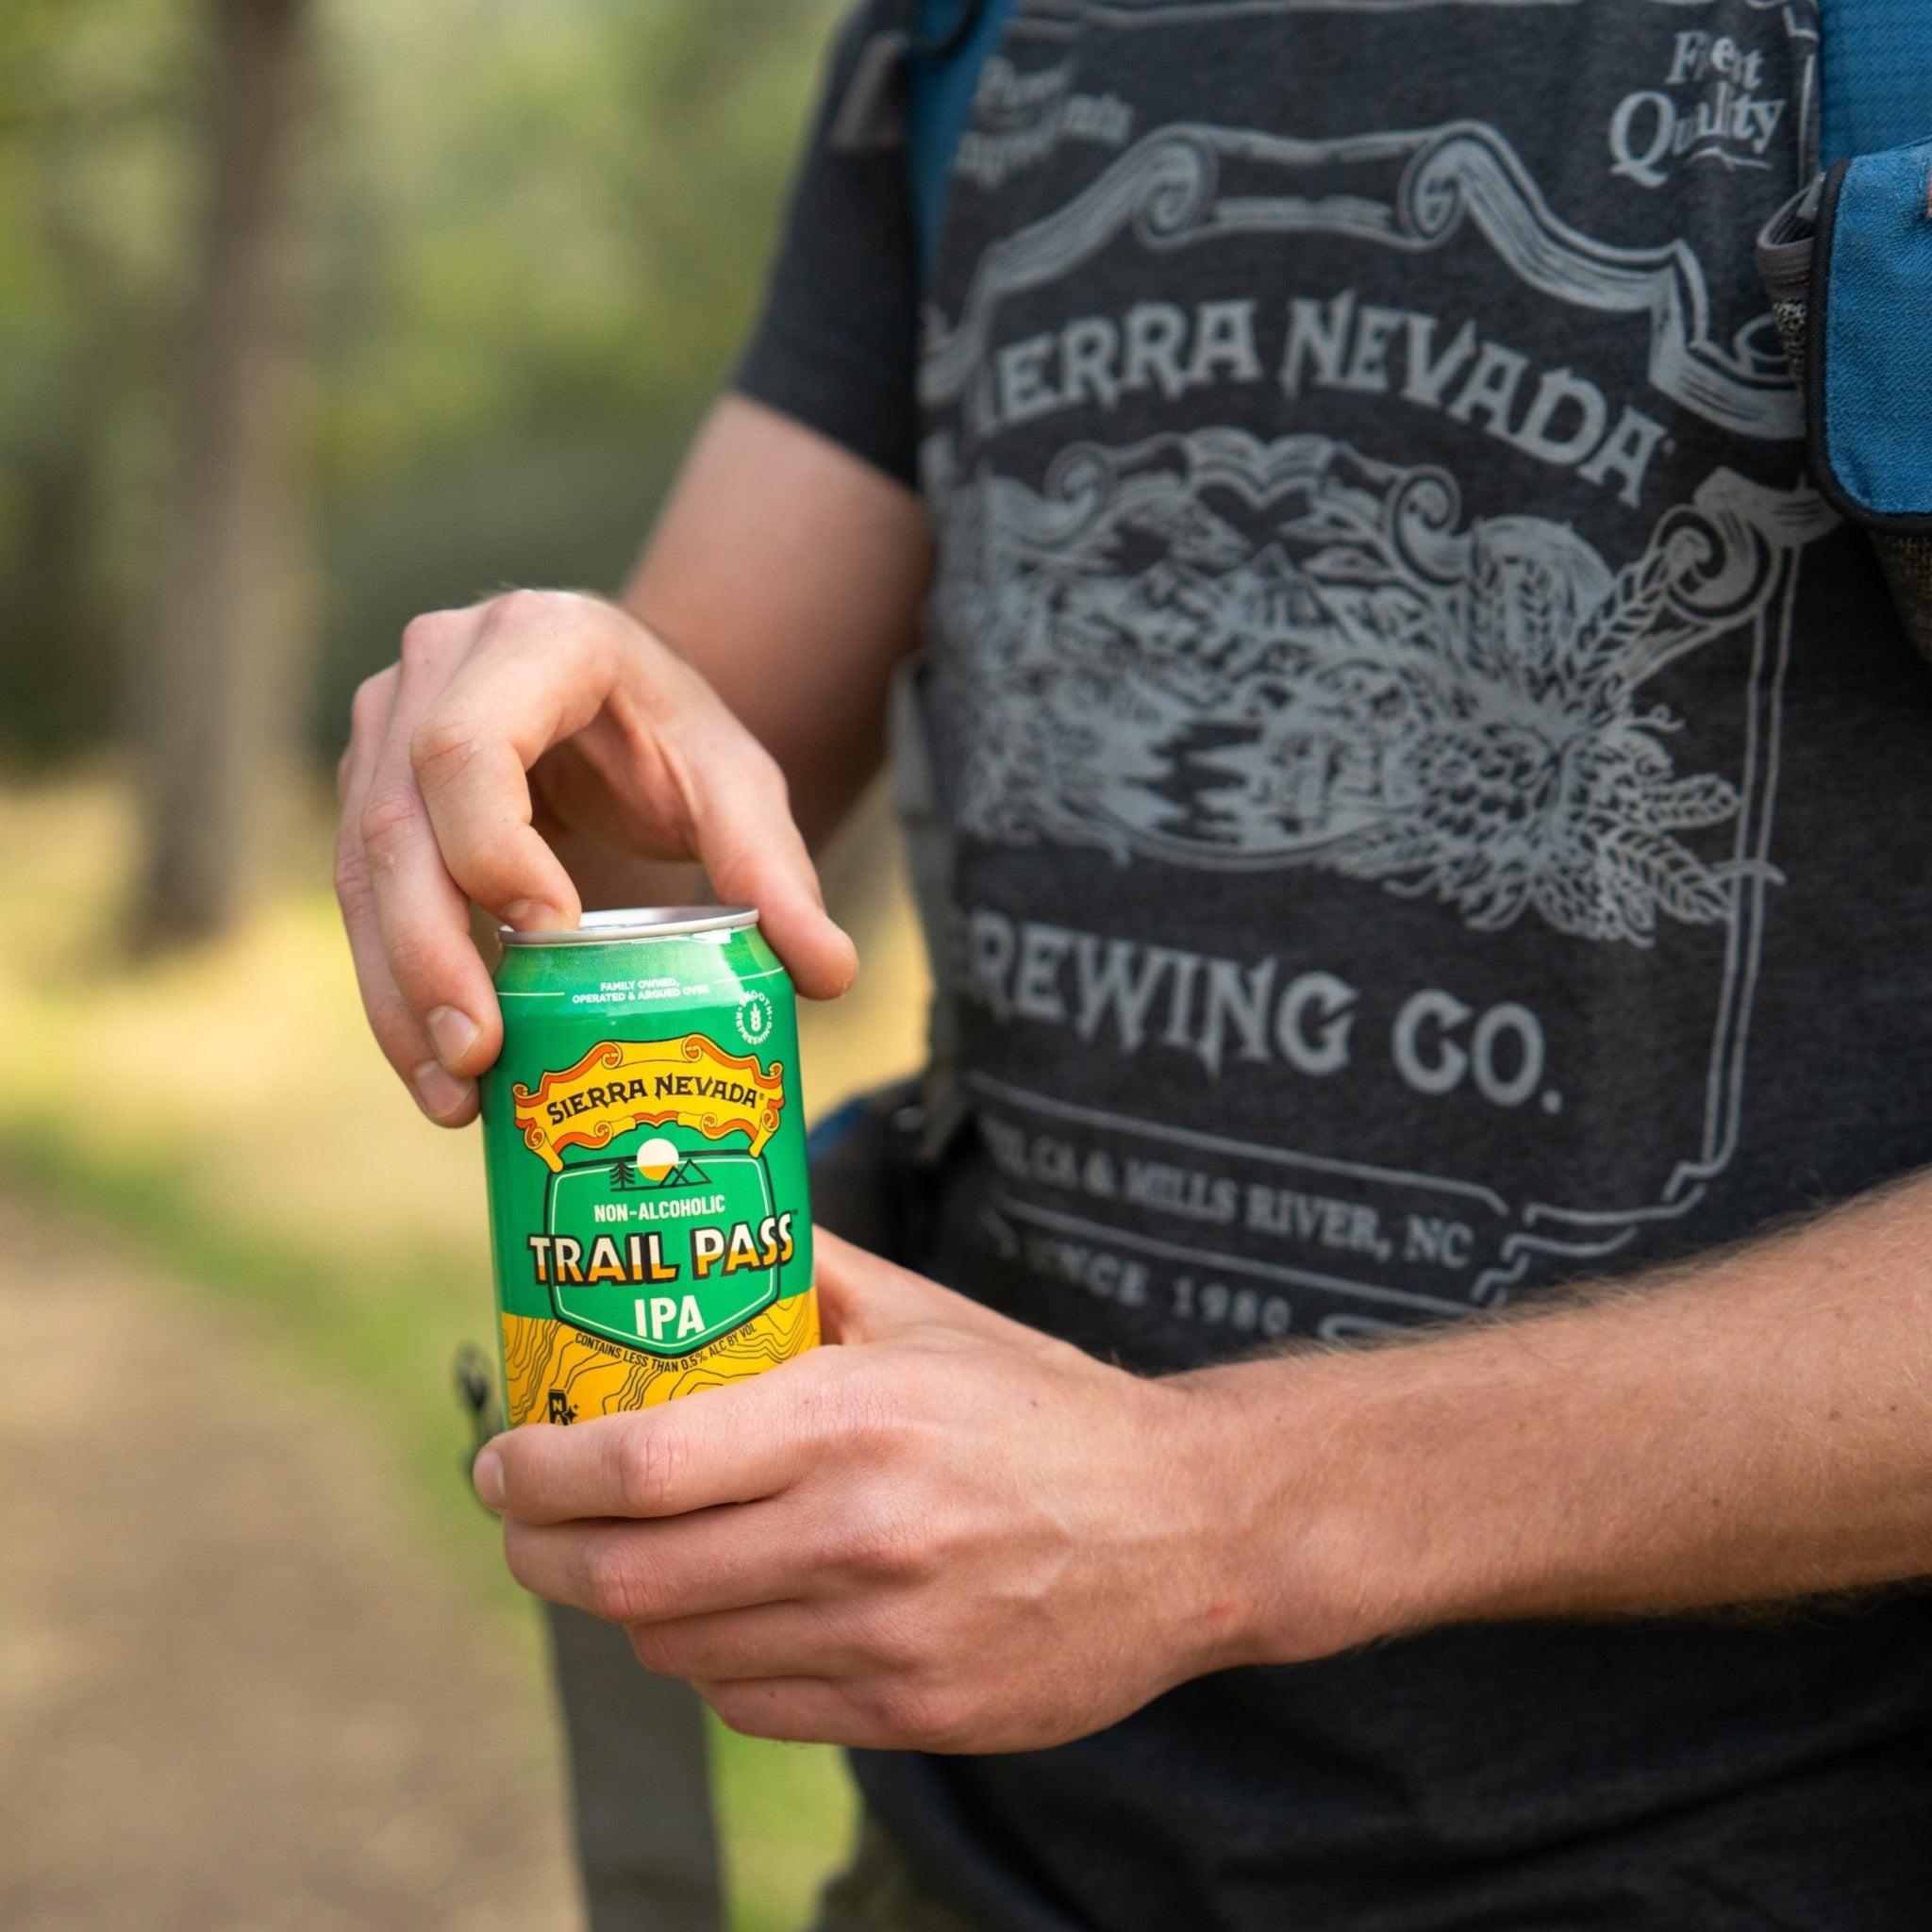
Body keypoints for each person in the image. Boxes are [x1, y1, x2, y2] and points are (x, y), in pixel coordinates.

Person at [331, 4, 1932, 1926]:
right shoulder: (960, 37)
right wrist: (507, 769)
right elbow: (653, 833)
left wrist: (1229, 1510)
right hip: (978, 1867)